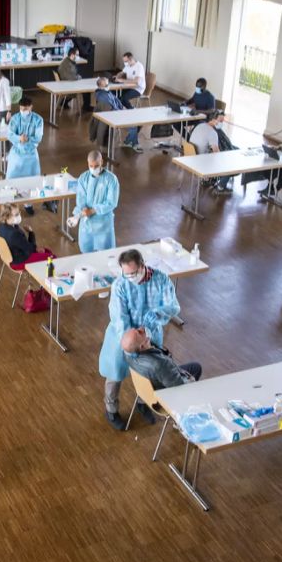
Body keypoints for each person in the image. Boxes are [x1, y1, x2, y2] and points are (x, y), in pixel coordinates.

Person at [98, 249, 180, 430]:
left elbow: (173, 306)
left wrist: (155, 317)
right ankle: (111, 409)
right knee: (115, 374)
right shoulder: (120, 284)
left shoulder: (161, 280)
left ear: (143, 266)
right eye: (125, 273)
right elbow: (119, 317)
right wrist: (131, 343)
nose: (129, 277)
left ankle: (144, 403)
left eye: (133, 273)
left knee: (148, 373)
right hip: (122, 336)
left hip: (149, 337)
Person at [121, 327, 202, 424]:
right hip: (164, 393)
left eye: (136, 329)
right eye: (139, 332)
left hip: (148, 387)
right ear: (142, 346)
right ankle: (181, 419)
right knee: (197, 375)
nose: (141, 328)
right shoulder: (160, 364)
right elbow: (178, 387)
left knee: (195, 367)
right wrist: (192, 383)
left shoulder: (128, 353)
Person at [68, 150, 119, 253]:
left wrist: (93, 210)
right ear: (88, 163)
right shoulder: (83, 178)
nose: (93, 169)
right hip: (87, 223)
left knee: (105, 255)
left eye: (96, 166)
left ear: (102, 162)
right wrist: (78, 215)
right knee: (86, 253)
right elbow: (81, 199)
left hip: (103, 224)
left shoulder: (111, 179)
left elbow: (111, 202)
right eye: (91, 166)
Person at [5, 97, 45, 215]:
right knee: (11, 180)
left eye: (26, 108)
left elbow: (38, 137)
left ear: (31, 107)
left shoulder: (38, 120)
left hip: (31, 155)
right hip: (16, 154)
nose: (23, 111)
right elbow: (10, 134)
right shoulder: (15, 118)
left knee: (31, 181)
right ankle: (8, 206)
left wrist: (26, 140)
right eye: (22, 108)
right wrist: (19, 139)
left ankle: (28, 204)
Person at [0, 203, 55, 269]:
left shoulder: (2, 226)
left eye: (19, 213)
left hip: (10, 258)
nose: (19, 216)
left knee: (47, 252)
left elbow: (25, 245)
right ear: (7, 217)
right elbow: (30, 249)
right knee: (53, 258)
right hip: (19, 261)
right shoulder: (14, 233)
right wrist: (31, 233)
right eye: (16, 215)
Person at [95, 77, 142, 153]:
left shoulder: (107, 92)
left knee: (139, 121)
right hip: (114, 115)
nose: (108, 86)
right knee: (135, 123)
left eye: (108, 84)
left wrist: (123, 108)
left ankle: (129, 140)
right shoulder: (102, 96)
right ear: (100, 86)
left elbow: (117, 102)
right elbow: (111, 108)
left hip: (118, 112)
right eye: (106, 85)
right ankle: (132, 143)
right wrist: (122, 111)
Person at [189, 111, 232, 193]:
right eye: (220, 121)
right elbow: (217, 154)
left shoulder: (200, 125)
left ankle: (208, 179)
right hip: (201, 162)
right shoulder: (212, 133)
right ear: (213, 119)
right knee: (229, 164)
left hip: (191, 157)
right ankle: (221, 187)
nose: (221, 123)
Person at [57, 48, 92, 112]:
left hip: (67, 82)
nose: (78, 56)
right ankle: (86, 107)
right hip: (68, 84)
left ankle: (64, 102)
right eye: (77, 55)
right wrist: (78, 77)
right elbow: (71, 77)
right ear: (72, 55)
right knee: (87, 89)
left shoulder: (67, 61)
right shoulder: (68, 64)